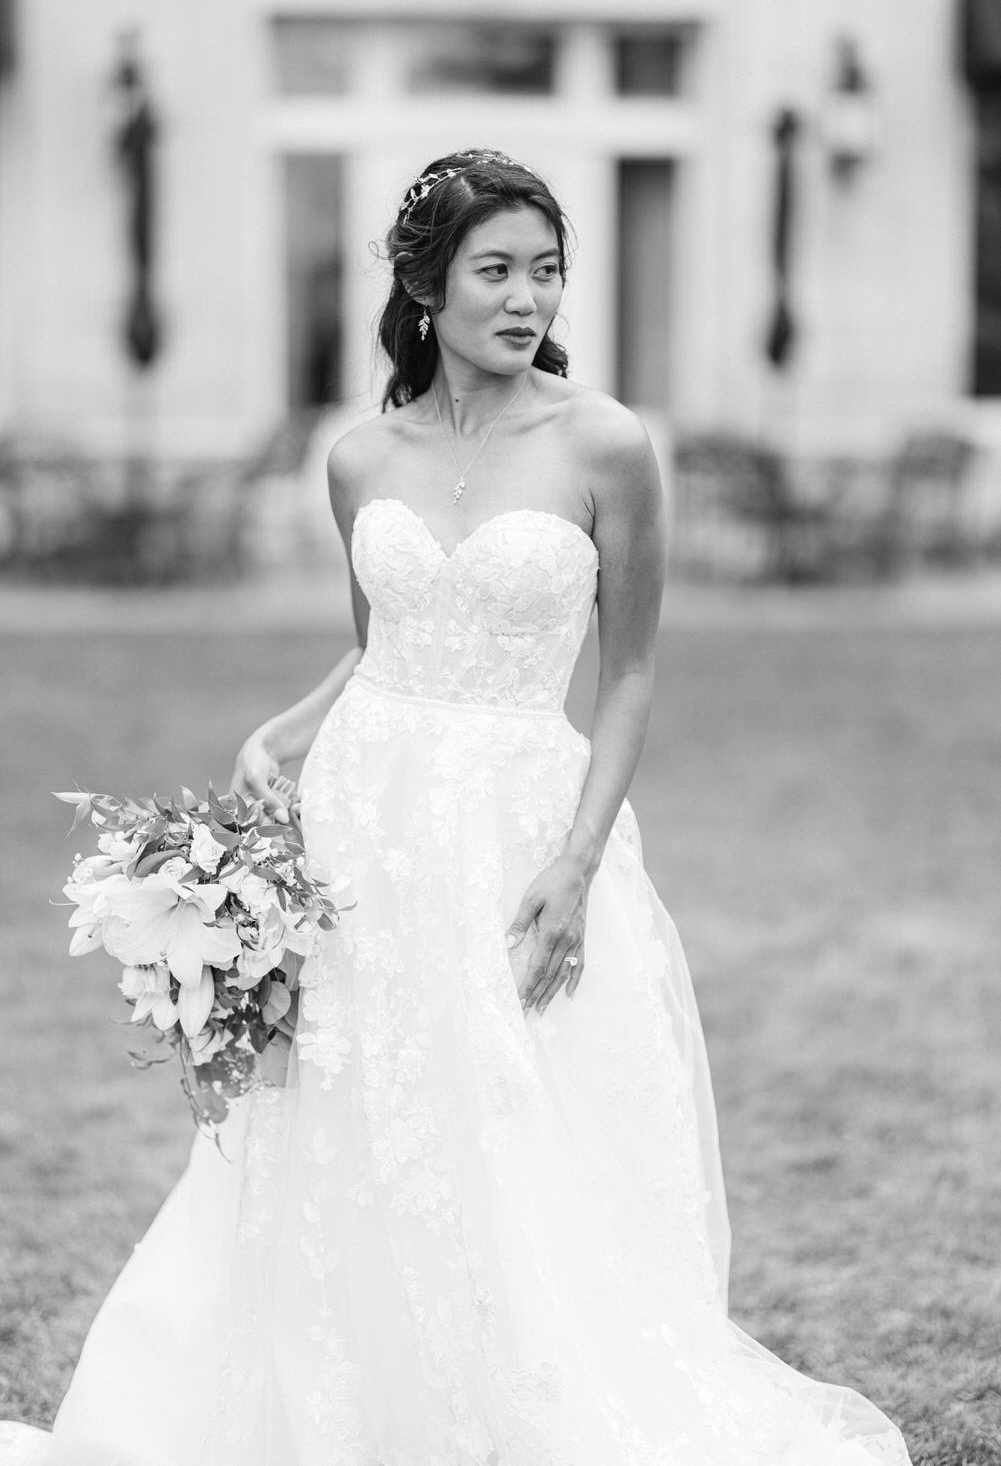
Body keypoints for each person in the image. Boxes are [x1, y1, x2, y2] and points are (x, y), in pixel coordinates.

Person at [0, 149, 913, 1465]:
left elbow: (635, 666)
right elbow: (385, 639)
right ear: (426, 286)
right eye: (496, 270)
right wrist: (292, 724)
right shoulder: (359, 455)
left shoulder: (603, 443)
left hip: (520, 823)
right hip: (362, 818)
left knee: (507, 1114)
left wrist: (577, 857)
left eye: (546, 271)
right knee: (348, 1104)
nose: (527, 297)